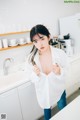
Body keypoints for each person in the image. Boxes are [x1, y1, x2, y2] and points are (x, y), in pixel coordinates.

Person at [26, 24, 68, 120]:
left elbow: (67, 70)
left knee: (64, 111)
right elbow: (30, 77)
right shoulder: (31, 58)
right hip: (44, 91)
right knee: (47, 114)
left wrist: (59, 71)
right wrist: (35, 74)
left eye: (42, 39)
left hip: (58, 89)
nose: (39, 44)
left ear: (48, 37)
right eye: (35, 41)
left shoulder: (60, 54)